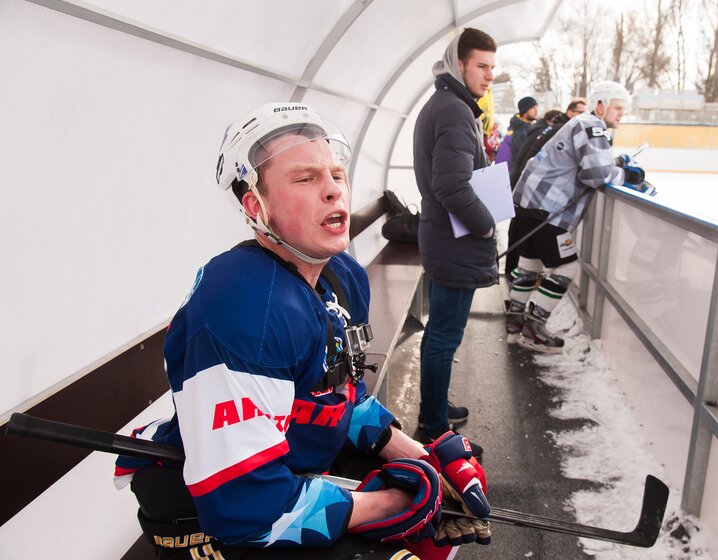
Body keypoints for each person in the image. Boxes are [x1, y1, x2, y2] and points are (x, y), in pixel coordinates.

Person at [114, 102, 491, 560]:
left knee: (438, 528)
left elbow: (339, 394)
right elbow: (248, 509)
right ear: (257, 205)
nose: (334, 191)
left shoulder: (342, 275)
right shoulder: (244, 304)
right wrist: (392, 504)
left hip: (292, 464)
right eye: (306, 178)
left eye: (336, 174)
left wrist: (418, 455)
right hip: (208, 511)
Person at [505, 81, 654, 353]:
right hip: (548, 209)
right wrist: (630, 175)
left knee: (530, 264)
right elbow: (596, 175)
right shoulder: (593, 126)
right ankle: (534, 327)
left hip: (529, 204)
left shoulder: (582, 123)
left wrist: (615, 163)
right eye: (617, 107)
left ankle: (515, 322)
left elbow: (587, 161)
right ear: (601, 105)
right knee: (566, 268)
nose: (622, 114)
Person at [412, 28, 497, 449]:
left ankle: (436, 408)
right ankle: (434, 428)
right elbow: (452, 186)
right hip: (455, 240)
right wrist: (486, 223)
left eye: (492, 67)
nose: (489, 75)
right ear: (458, 64)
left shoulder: (447, 105)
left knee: (441, 333)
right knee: (444, 334)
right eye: (482, 65)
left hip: (445, 237)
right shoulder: (455, 111)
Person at [503, 99, 587, 278]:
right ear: (571, 112)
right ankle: (513, 276)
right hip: (533, 196)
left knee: (524, 248)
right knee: (565, 267)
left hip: (524, 190)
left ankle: (514, 282)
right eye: (581, 113)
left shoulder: (545, 128)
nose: (585, 117)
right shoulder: (561, 130)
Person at [495, 96, 539, 166]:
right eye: (533, 108)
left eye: (537, 108)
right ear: (525, 110)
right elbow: (521, 161)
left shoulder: (518, 127)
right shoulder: (521, 131)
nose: (536, 110)